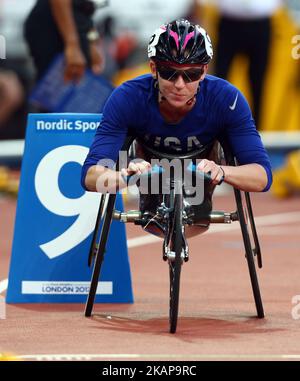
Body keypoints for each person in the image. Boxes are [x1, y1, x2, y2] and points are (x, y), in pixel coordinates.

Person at [81, 19, 272, 236]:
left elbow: (262, 176)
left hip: (201, 176)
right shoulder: (127, 97)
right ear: (153, 68)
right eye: (169, 73)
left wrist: (222, 171)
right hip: (149, 173)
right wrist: (125, 176)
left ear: (204, 72)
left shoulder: (227, 99)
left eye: (191, 74)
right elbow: (89, 176)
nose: (180, 84)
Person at [213, 0, 282, 130]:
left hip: (261, 23)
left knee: (258, 83)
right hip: (229, 22)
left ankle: (257, 134)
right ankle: (216, 129)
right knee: (219, 81)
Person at [24, 0, 104, 82]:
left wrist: (93, 43)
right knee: (56, 85)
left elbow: (86, 15)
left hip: (75, 28)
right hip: (55, 28)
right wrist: (72, 45)